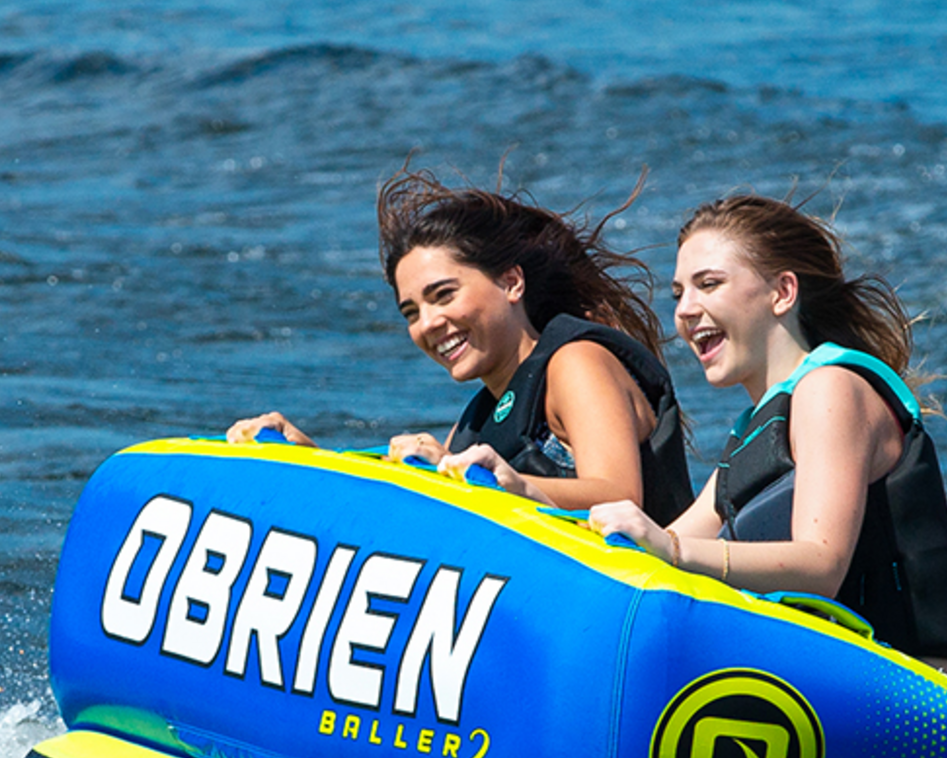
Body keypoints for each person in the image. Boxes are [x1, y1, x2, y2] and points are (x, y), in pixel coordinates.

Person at [589, 196, 947, 673]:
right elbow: (648, 548)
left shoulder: (831, 388)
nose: (685, 311)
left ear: (782, 292)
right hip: (823, 683)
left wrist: (672, 551)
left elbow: (821, 566)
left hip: (914, 703)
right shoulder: (751, 435)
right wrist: (526, 495)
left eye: (709, 284)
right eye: (678, 294)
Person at [228, 172, 694, 518]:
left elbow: (619, 494)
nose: (429, 323)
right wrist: (309, 460)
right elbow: (426, 504)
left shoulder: (576, 363)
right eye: (410, 312)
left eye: (443, 295)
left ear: (512, 283)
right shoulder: (478, 420)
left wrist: (508, 484)